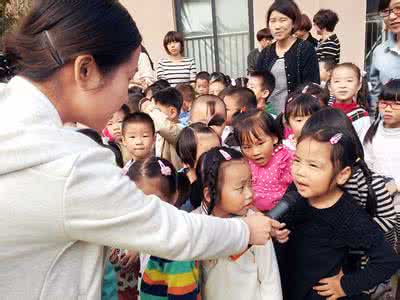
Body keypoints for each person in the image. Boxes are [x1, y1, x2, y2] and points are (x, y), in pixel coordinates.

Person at [0, 1, 277, 298]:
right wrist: (245, 231)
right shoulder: (67, 165)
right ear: (85, 70)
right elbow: (170, 231)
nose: (126, 92)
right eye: (128, 76)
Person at [281, 128, 400, 300]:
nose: (299, 171)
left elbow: (387, 261)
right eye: (297, 161)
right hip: (290, 287)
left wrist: (346, 285)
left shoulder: (349, 215)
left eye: (313, 165)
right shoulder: (296, 192)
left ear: (343, 175)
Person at [194, 147, 283, 300]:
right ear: (209, 194)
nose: (250, 194)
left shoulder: (257, 224)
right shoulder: (195, 224)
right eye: (240, 188)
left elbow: (270, 279)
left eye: (250, 184)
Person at [122, 157, 201, 300]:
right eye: (134, 201)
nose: (143, 210)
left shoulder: (175, 247)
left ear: (174, 196)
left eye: (152, 202)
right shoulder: (151, 234)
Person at [256, 0, 320, 115]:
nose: (277, 26)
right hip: (267, 116)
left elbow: (312, 87)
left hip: (296, 115)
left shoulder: (306, 49)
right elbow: (256, 84)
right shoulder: (265, 53)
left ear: (294, 22)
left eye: (283, 20)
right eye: (273, 21)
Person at [364, 79, 400, 251]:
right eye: (384, 103)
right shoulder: (374, 131)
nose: (388, 108)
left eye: (396, 104)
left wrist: (396, 186)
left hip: (399, 205)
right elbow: (368, 165)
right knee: (384, 250)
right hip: (380, 205)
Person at [233, 111, 293, 212]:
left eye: (260, 143)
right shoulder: (243, 162)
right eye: (247, 147)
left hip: (281, 214)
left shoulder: (286, 159)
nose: (255, 152)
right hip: (251, 213)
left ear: (274, 138)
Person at [176, 123, 221, 211]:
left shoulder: (227, 177)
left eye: (219, 149)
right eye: (208, 154)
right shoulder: (180, 192)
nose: (218, 157)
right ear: (187, 161)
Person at [140, 87, 184, 170]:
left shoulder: (181, 130)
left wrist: (149, 108)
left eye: (157, 110)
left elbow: (164, 127)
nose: (153, 114)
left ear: (172, 112)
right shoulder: (158, 130)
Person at [369, 0, 400, 115]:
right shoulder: (380, 52)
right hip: (387, 127)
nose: (391, 17)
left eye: (398, 8)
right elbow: (375, 95)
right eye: (386, 11)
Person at [330, 63, 371, 139]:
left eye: (349, 81)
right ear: (330, 87)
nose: (343, 86)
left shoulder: (361, 116)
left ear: (359, 85)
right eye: (337, 81)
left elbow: (363, 147)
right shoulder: (323, 113)